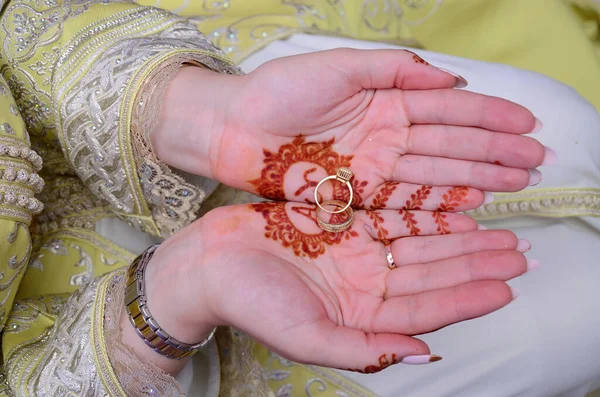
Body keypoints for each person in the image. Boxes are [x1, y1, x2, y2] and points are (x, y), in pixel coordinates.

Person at [0, 1, 598, 397]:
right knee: (581, 319)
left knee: (559, 128)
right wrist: (168, 304)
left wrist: (194, 114)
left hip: (196, 105)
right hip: (201, 341)